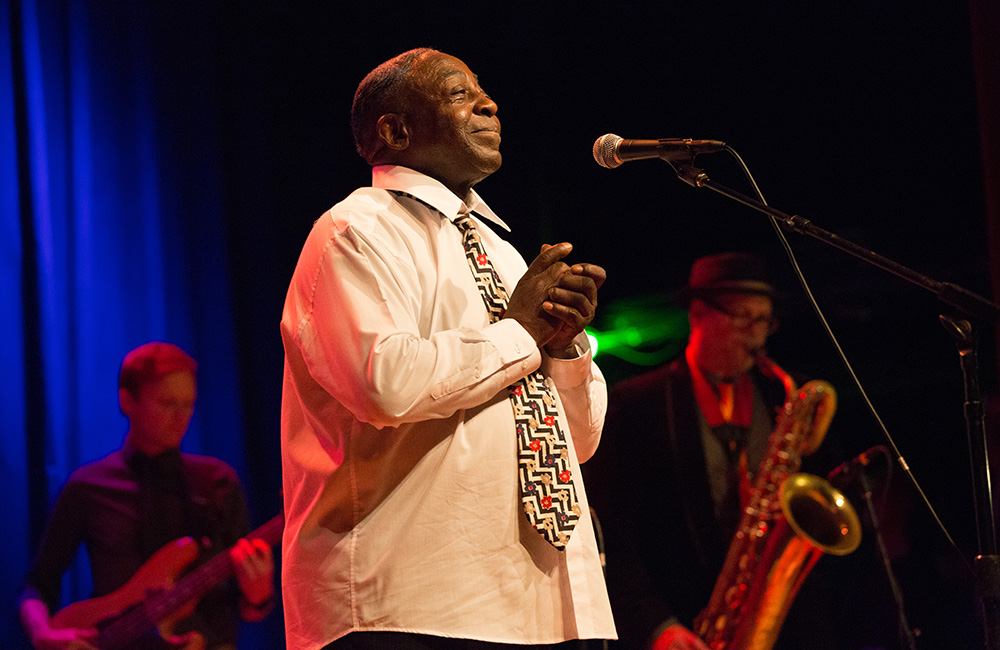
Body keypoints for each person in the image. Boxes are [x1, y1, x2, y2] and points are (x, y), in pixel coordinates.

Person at [279, 48, 615, 650]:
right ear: (395, 130)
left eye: (483, 90)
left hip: (545, 602)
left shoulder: (502, 252)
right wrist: (519, 333)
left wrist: (562, 352)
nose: (488, 103)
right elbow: (386, 383)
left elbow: (578, 443)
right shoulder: (357, 230)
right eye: (460, 93)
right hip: (412, 602)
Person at [584, 252, 840, 650]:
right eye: (743, 317)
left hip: (790, 629)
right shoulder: (637, 404)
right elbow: (612, 538)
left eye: (764, 320)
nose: (757, 336)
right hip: (688, 626)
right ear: (698, 314)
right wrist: (656, 626)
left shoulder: (786, 395)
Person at [18, 341, 275, 650]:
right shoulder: (88, 486)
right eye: (168, 404)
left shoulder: (217, 483)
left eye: (188, 404)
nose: (181, 417)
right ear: (127, 401)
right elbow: (36, 586)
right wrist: (42, 632)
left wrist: (258, 595)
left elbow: (248, 608)